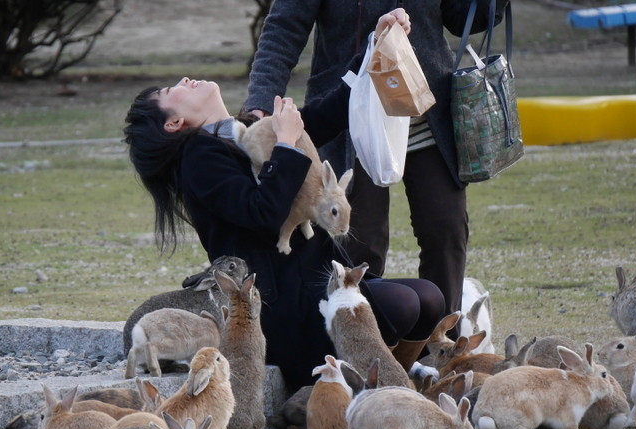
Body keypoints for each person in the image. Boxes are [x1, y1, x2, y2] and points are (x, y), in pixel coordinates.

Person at [123, 10, 444, 391]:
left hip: (315, 278)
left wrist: (377, 45)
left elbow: (330, 110)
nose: (184, 81)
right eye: (170, 92)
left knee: (430, 299)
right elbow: (263, 214)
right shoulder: (198, 160)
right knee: (405, 304)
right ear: (173, 124)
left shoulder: (243, 129)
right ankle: (370, 394)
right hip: (287, 307)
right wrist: (287, 144)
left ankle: (387, 385)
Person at [244, 0, 510, 340]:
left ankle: (441, 354)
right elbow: (284, 26)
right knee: (359, 243)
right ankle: (358, 351)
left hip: (426, 114)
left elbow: (462, 18)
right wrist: (261, 100)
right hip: (353, 119)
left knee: (445, 230)